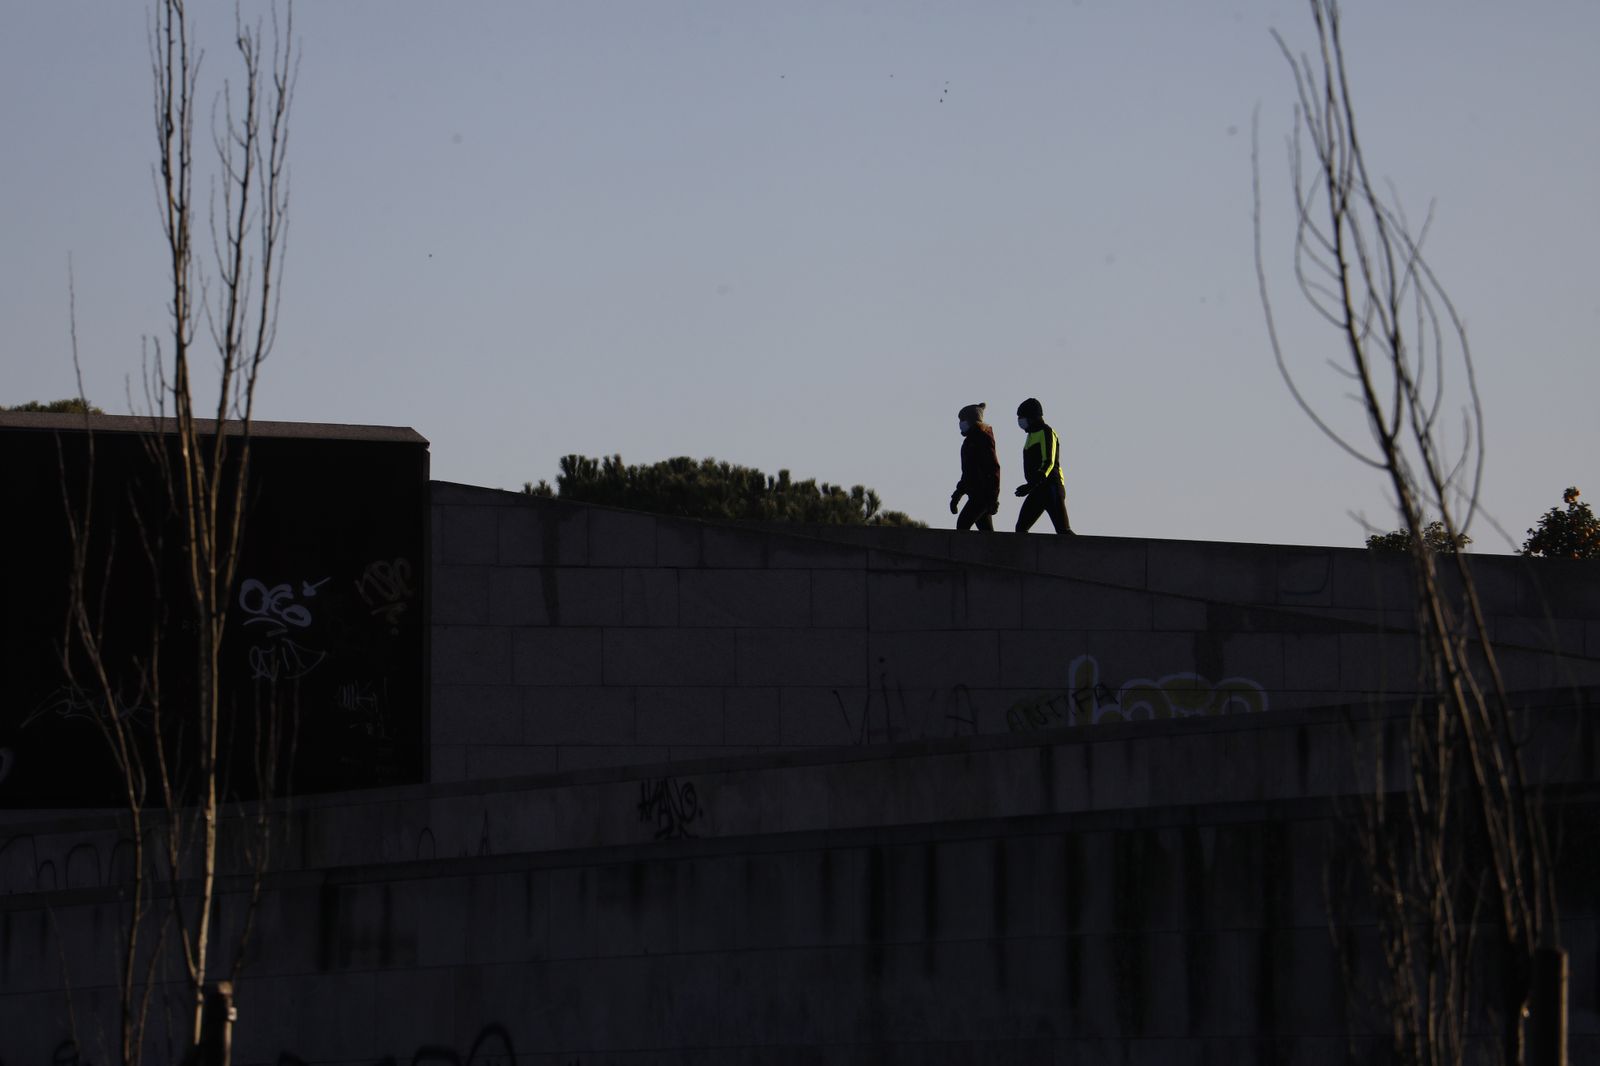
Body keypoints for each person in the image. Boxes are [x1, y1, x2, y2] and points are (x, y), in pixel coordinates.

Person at [1013, 397, 1072, 534]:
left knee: (1063, 531)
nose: (1020, 421)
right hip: (1037, 489)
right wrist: (1032, 486)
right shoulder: (1030, 436)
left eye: (1022, 417)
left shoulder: (1046, 432)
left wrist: (1030, 485)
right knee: (1021, 528)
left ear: (1032, 417)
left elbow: (1049, 462)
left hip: (1052, 487)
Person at [949, 403, 1000, 532]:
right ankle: (997, 552)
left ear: (972, 421)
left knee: (963, 525)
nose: (960, 423)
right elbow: (967, 473)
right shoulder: (968, 442)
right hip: (974, 494)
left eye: (963, 420)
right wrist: (957, 495)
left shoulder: (983, 438)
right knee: (987, 533)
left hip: (982, 496)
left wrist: (993, 498)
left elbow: (993, 468)